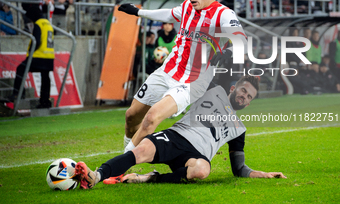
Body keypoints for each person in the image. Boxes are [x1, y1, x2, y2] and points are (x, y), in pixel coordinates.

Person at [118, 0, 247, 152]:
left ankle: (119, 164)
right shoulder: (187, 6)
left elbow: (241, 38)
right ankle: (125, 155)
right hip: (167, 71)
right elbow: (169, 15)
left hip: (192, 82)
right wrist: (138, 12)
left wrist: (228, 52)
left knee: (152, 118)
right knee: (131, 116)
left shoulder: (224, 14)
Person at [74, 76, 287, 189]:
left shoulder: (240, 129)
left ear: (249, 103)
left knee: (202, 170)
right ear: (233, 88)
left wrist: (265, 174)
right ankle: (97, 175)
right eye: (243, 91)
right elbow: (199, 72)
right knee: (141, 151)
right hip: (177, 136)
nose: (244, 97)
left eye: (249, 97)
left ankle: (151, 179)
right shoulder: (214, 89)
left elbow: (239, 168)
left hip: (196, 156)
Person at [8, 7, 54, 108]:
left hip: (39, 56)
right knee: (45, 78)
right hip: (49, 56)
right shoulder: (48, 24)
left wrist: (30, 51)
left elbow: (36, 41)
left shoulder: (38, 24)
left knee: (20, 69)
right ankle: (45, 101)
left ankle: (18, 94)